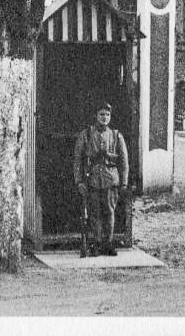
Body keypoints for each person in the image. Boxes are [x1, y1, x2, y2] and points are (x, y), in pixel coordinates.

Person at [73, 102, 129, 256]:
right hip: (92, 179)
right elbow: (77, 160)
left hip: (111, 179)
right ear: (96, 116)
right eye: (102, 114)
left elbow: (124, 161)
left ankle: (108, 243)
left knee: (110, 211)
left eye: (108, 115)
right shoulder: (86, 135)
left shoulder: (116, 136)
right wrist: (79, 181)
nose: (105, 118)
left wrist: (124, 182)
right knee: (95, 212)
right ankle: (96, 243)